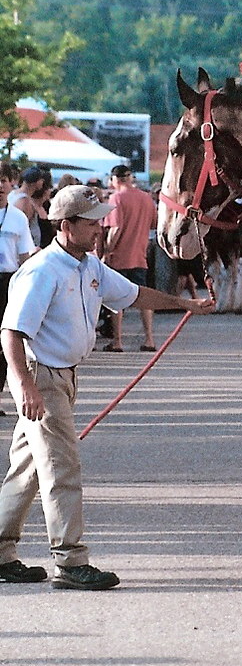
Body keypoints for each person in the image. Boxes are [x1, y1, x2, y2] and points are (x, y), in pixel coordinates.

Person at [0, 185, 214, 589]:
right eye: (92, 222)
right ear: (66, 226)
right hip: (42, 376)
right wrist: (26, 387)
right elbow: (11, 333)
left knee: (27, 469)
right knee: (61, 468)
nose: (100, 228)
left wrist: (186, 304)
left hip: (60, 376)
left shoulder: (89, 266)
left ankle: (1, 552)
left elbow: (132, 295)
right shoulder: (42, 270)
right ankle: (70, 561)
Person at [99, 165, 158, 352]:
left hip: (119, 256)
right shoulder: (146, 198)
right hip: (140, 255)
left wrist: (107, 250)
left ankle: (117, 341)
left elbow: (115, 228)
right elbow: (154, 223)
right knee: (144, 298)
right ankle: (149, 339)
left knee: (117, 300)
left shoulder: (116, 198)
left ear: (115, 179)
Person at [0, 163, 36, 401]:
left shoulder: (17, 217)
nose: (0, 186)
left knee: (5, 340)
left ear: (11, 184)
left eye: (3, 181)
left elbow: (25, 256)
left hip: (7, 281)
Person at [9, 166, 52, 251]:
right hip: (27, 246)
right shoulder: (25, 201)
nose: (42, 182)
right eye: (41, 180)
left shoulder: (12, 193)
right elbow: (24, 228)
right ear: (35, 182)